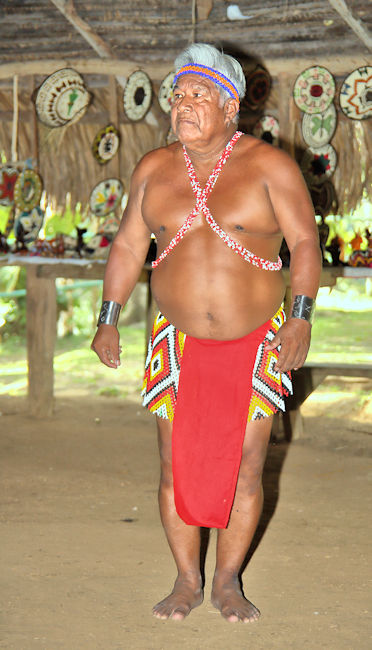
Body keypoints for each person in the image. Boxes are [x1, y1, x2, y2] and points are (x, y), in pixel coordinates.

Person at [91, 43, 322, 623]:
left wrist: (300, 317)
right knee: (173, 467)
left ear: (229, 105)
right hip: (177, 341)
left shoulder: (270, 166)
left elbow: (305, 243)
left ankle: (227, 581)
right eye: (177, 96)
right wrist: (108, 318)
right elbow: (126, 246)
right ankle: (186, 578)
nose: (182, 106)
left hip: (259, 341)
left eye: (197, 96)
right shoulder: (153, 168)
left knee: (246, 466)